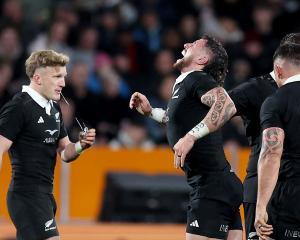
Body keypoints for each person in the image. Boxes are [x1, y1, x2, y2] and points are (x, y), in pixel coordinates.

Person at [130, 35, 243, 240]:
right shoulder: (185, 84)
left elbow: (226, 105)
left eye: (194, 45)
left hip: (211, 187)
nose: (185, 44)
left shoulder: (196, 78)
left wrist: (190, 137)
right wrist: (150, 112)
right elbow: (180, 121)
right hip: (219, 184)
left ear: (202, 60)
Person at [190, 32, 300, 240]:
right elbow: (215, 109)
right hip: (262, 188)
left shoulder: (278, 96)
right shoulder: (256, 88)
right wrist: (170, 118)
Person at [0, 50, 96, 240]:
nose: (63, 83)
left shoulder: (54, 107)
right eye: (57, 76)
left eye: (64, 76)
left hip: (45, 196)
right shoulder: (19, 106)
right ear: (37, 78)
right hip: (26, 195)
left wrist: (80, 145)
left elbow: (65, 152)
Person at [255, 43, 300, 239]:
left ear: (278, 70)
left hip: (291, 196)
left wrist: (261, 206)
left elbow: (271, 154)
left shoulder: (275, 101)